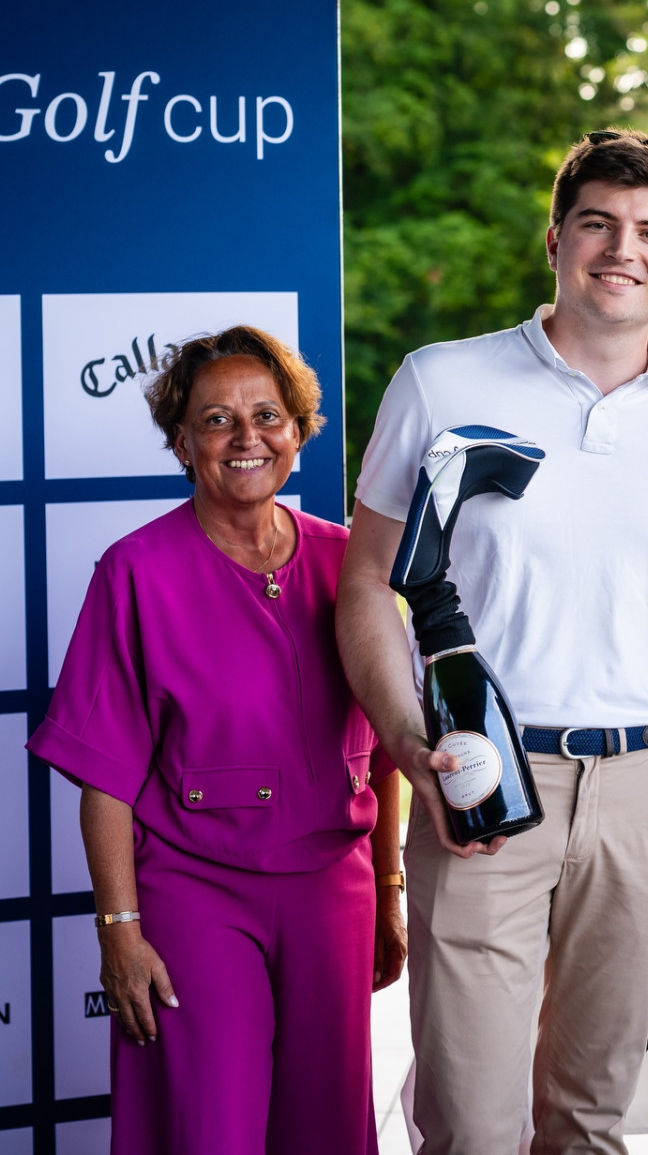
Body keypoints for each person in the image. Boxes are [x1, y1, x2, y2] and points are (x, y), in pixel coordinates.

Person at [337, 128, 648, 1155]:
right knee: (472, 1125)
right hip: (486, 780)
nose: (624, 249)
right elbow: (365, 585)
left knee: (590, 1116)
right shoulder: (441, 381)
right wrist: (409, 748)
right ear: (556, 240)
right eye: (598, 223)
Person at [27, 326, 404, 1155]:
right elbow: (104, 778)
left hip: (333, 895)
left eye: (267, 415)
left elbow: (385, 749)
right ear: (181, 442)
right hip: (195, 895)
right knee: (208, 1129)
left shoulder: (351, 564)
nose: (245, 437)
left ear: (298, 432)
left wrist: (389, 886)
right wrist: (118, 928)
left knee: (329, 1128)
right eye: (216, 420)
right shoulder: (135, 572)